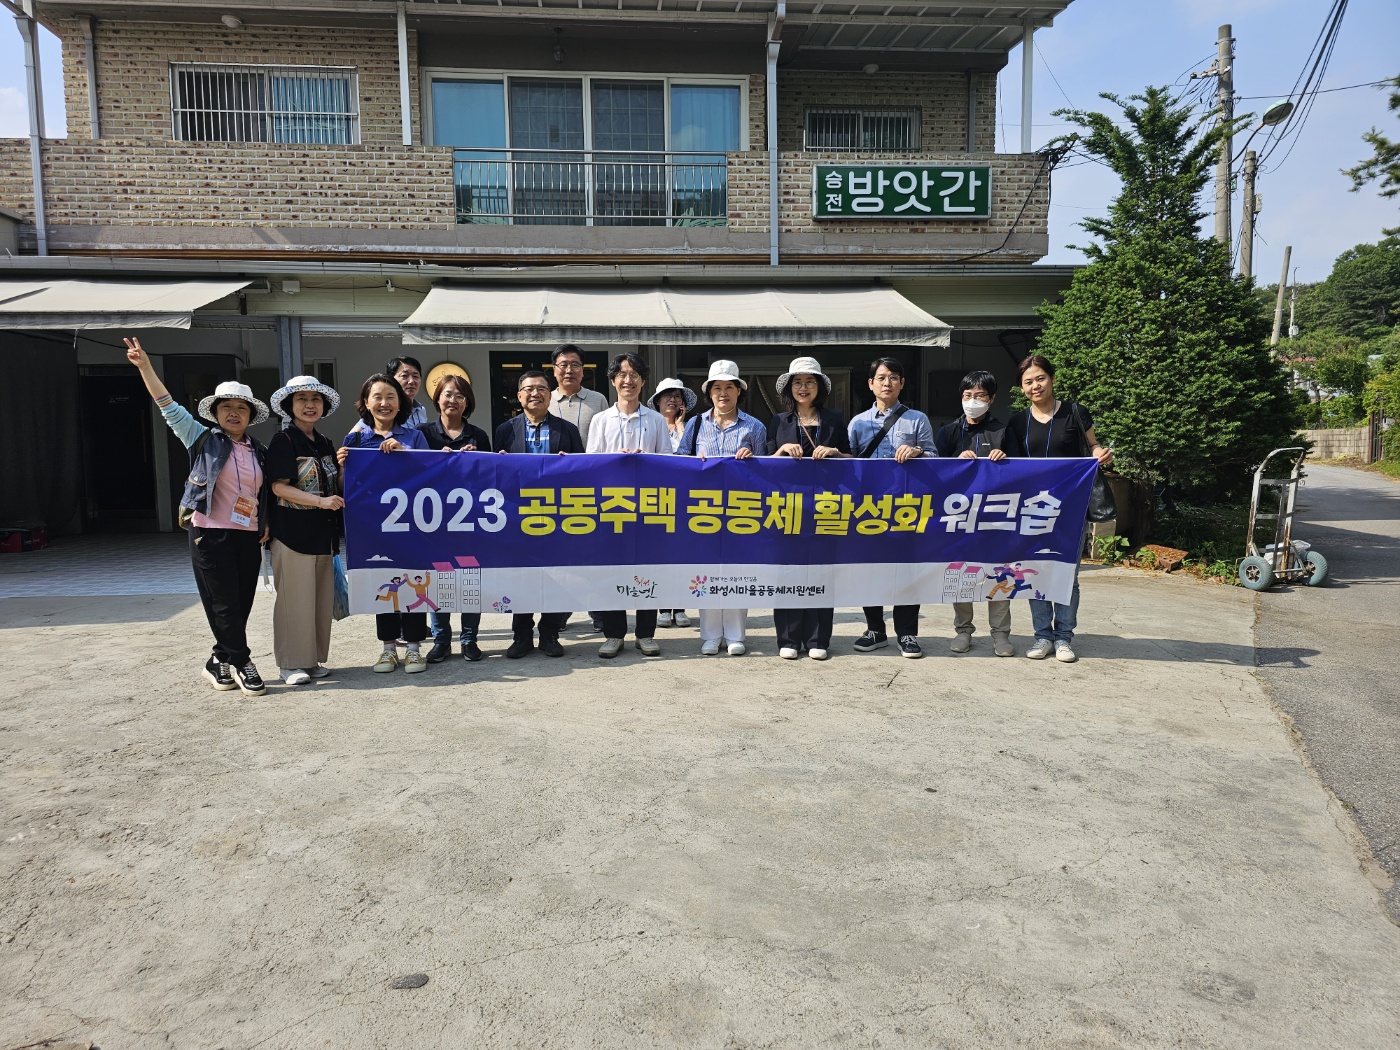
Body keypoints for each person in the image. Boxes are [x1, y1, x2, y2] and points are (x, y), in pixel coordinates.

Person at [123, 338, 271, 696]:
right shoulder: (201, 439)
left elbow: (263, 493)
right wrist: (145, 367)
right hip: (210, 533)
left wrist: (265, 523)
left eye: (241, 407)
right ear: (215, 412)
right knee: (223, 603)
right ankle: (243, 662)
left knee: (241, 603)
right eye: (226, 407)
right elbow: (167, 406)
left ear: (250, 415)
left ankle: (218, 659)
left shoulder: (259, 450)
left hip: (247, 534)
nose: (234, 413)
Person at [1004, 354, 1113, 663]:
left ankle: (1064, 637)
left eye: (1040, 378)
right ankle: (1042, 636)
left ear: (1052, 379)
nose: (1035, 386)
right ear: (1022, 388)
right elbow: (1012, 466)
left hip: (1071, 509)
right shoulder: (1017, 422)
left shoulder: (1075, 412)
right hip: (1032, 510)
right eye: (1028, 382)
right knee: (1035, 574)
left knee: (1067, 575)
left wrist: (1100, 453)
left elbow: (1092, 445)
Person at [338, 374, 430, 673]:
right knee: (384, 584)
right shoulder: (355, 440)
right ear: (366, 403)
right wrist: (342, 468)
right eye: (377, 397)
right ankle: (388, 648)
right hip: (374, 526)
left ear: (400, 403)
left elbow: (431, 475)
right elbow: (345, 487)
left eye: (391, 396)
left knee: (414, 582)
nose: (384, 403)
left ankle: (414, 649)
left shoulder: (414, 437)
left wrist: (405, 454)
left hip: (413, 524)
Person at [847, 357, 938, 659]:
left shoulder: (917, 419)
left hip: (906, 507)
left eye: (894, 377)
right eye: (881, 377)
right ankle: (875, 629)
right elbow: (850, 464)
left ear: (902, 383)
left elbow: (936, 459)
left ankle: (907, 633)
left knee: (907, 570)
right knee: (870, 570)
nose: (887, 383)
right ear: (870, 383)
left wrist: (918, 451)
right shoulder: (857, 422)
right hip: (869, 508)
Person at [678, 360, 767, 656]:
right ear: (709, 392)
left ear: (739, 391)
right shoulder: (696, 424)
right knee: (706, 570)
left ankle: (736, 635)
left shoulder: (754, 427)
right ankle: (711, 635)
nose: (723, 393)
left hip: (742, 511)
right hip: (703, 510)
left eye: (729, 387)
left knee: (737, 571)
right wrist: (696, 464)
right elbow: (680, 461)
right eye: (717, 387)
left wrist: (752, 459)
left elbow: (768, 469)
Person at [588, 353, 674, 658]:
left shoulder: (656, 420)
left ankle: (645, 633)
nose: (628, 380)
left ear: (643, 381)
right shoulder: (600, 420)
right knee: (613, 569)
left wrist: (644, 460)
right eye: (622, 375)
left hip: (648, 508)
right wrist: (616, 460)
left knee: (648, 568)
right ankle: (614, 634)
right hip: (611, 508)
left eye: (634, 374)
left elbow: (667, 461)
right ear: (613, 381)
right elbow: (591, 463)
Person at [766, 356, 851, 661]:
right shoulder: (778, 421)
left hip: (826, 508)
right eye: (798, 382)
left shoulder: (835, 419)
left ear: (819, 387)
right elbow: (765, 464)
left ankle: (818, 638)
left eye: (810, 382)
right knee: (788, 572)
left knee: (821, 572)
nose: (804, 388)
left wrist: (835, 452)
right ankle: (788, 639)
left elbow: (852, 460)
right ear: (790, 388)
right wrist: (781, 450)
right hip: (787, 509)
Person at [495, 370, 583, 658]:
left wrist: (568, 466)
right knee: (520, 576)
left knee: (555, 575)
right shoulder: (505, 430)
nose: (535, 393)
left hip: (557, 516)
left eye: (542, 388)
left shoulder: (567, 430)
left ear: (550, 394)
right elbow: (495, 477)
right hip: (517, 516)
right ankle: (521, 635)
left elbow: (582, 472)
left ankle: (550, 634)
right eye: (529, 389)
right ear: (519, 395)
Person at [265, 375, 345, 686]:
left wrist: (345, 467)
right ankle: (289, 664)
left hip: (323, 536)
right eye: (302, 399)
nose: (309, 405)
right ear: (290, 406)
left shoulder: (324, 442)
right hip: (292, 534)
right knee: (294, 602)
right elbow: (279, 488)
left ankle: (310, 661)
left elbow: (335, 483)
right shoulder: (283, 441)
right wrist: (320, 502)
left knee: (318, 602)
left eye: (315, 399)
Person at [934, 370, 1014, 658]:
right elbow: (935, 472)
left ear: (991, 399)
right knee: (961, 573)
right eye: (967, 395)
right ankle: (963, 630)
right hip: (959, 517)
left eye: (979, 396)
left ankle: (1000, 634)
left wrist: (1005, 459)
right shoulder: (948, 432)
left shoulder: (1004, 432)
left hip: (996, 516)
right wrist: (955, 462)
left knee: (999, 573)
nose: (972, 401)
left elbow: (1022, 472)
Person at [419, 373, 492, 663]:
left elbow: (490, 478)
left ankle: (469, 639)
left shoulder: (478, 435)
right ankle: (441, 641)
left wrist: (475, 460)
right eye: (447, 394)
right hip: (433, 520)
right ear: (437, 399)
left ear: (467, 403)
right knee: (439, 580)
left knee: (470, 579)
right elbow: (412, 472)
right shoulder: (423, 434)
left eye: (460, 396)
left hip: (470, 521)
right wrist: (436, 460)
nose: (453, 400)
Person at [650, 377, 696, 628]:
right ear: (658, 401)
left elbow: (688, 456)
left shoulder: (691, 427)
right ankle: (663, 607)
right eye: (667, 395)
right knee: (659, 555)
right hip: (656, 499)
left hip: (684, 500)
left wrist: (680, 426)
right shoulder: (651, 424)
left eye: (677, 396)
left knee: (682, 554)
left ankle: (680, 606)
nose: (673, 400)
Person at [349, 355, 428, 435]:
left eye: (415, 376)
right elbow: (352, 437)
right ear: (391, 379)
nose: (411, 381)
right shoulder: (385, 410)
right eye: (404, 376)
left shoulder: (421, 410)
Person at [548, 343, 609, 447]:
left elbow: (607, 435)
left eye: (575, 365)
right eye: (563, 365)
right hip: (555, 458)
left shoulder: (598, 399)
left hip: (590, 457)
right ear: (554, 370)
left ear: (582, 369)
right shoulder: (545, 400)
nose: (569, 370)